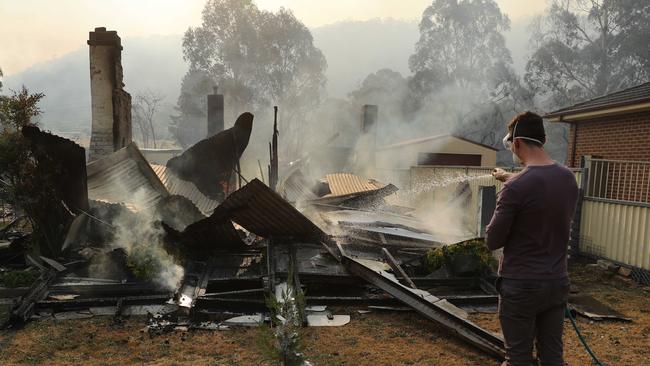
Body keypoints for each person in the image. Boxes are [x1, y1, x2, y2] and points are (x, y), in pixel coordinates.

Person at [485, 111, 579, 366]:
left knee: (518, 358)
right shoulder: (568, 179)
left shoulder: (515, 189)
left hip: (521, 287)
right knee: (552, 357)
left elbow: (493, 240)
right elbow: (540, 185)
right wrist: (509, 177)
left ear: (516, 144)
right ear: (544, 140)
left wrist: (507, 187)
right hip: (557, 284)